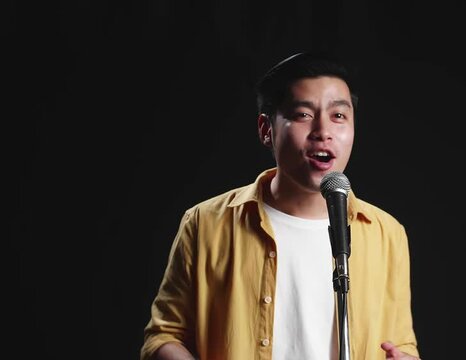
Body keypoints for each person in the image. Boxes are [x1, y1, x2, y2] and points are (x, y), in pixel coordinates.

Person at [141, 52, 420, 360]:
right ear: (266, 129)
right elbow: (163, 336)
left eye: (339, 116)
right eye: (303, 114)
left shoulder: (386, 233)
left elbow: (402, 343)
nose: (323, 131)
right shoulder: (205, 223)